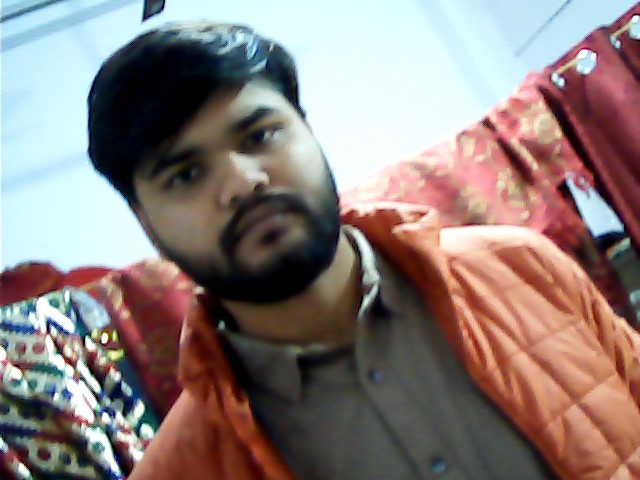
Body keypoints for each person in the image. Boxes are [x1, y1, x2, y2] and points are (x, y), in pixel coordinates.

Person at [87, 21, 640, 480]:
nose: (242, 181)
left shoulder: (522, 267)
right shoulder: (180, 470)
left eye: (259, 136)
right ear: (145, 222)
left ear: (309, 132)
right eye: (186, 174)